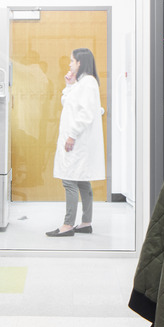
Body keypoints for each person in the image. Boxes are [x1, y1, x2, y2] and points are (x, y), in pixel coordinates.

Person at [47, 47, 105, 237]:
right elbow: (69, 103)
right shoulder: (83, 83)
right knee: (81, 180)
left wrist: (72, 135)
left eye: (72, 61)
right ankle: (86, 223)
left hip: (78, 140)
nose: (70, 64)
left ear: (80, 63)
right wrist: (70, 84)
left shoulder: (88, 83)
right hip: (77, 139)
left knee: (69, 180)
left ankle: (67, 225)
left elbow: (86, 114)